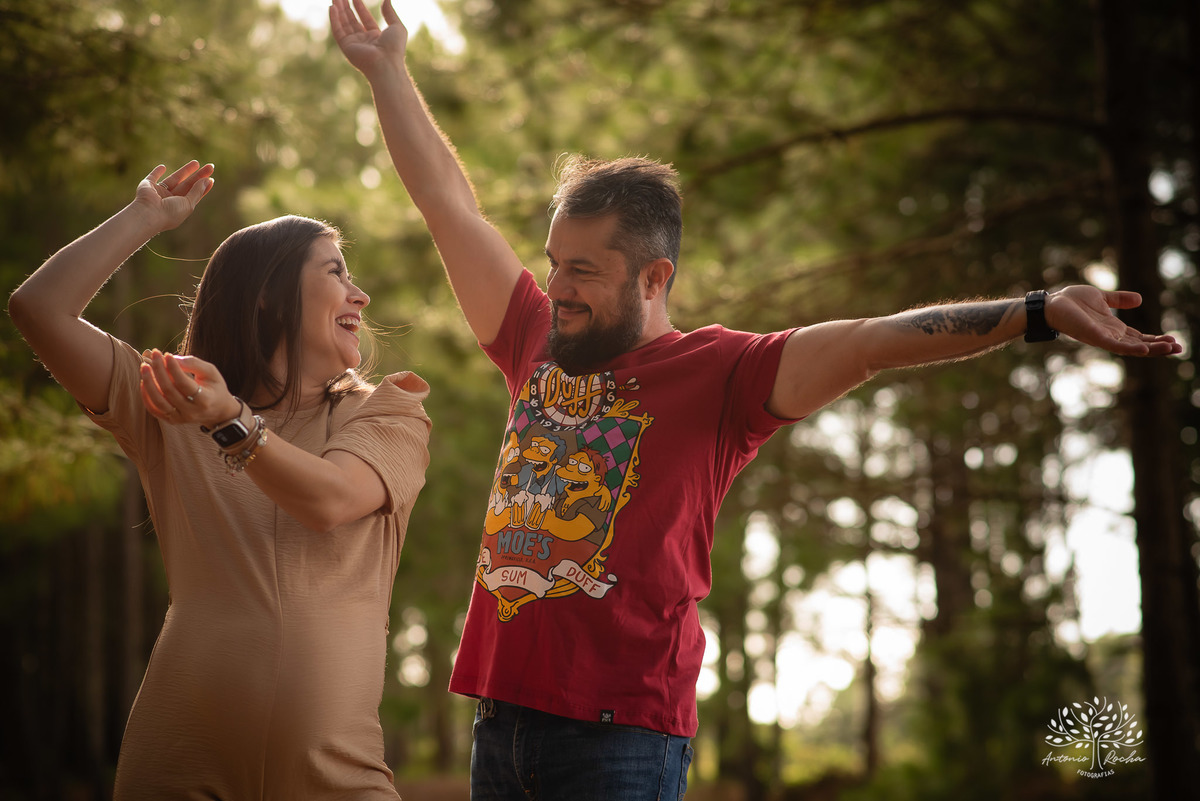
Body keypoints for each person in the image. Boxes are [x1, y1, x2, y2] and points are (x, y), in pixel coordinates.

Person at [330, 1, 1182, 797]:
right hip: (498, 716)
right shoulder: (535, 339)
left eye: (583, 268)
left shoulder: (724, 374)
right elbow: (447, 205)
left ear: (655, 276)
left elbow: (873, 339)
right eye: (554, 261)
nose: (556, 285)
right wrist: (387, 73)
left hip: (615, 732)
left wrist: (1035, 312)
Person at [8, 160, 432, 799]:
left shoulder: (389, 410)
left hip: (337, 772)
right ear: (267, 292)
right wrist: (144, 218)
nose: (360, 295)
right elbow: (38, 309)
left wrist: (232, 422)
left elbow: (331, 499)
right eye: (335, 271)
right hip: (177, 760)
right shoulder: (174, 404)